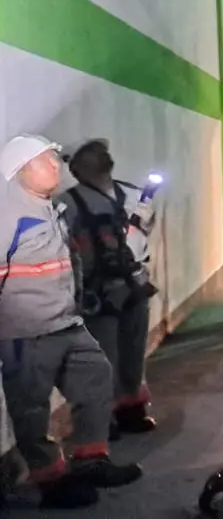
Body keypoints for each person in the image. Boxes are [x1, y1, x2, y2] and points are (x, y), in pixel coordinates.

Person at [0, 134, 142, 509]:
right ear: (21, 169)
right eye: (47, 160)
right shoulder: (6, 215)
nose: (56, 166)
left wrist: (77, 304)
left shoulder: (52, 209)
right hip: (25, 333)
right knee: (31, 409)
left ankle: (91, 461)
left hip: (66, 323)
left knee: (96, 380)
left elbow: (71, 263)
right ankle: (52, 481)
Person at [60, 140, 157, 438]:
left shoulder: (129, 193)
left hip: (132, 285)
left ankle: (131, 410)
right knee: (103, 358)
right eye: (94, 153)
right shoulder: (68, 203)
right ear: (77, 166)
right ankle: (105, 421)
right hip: (98, 292)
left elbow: (144, 232)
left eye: (104, 152)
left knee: (132, 353)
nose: (104, 157)